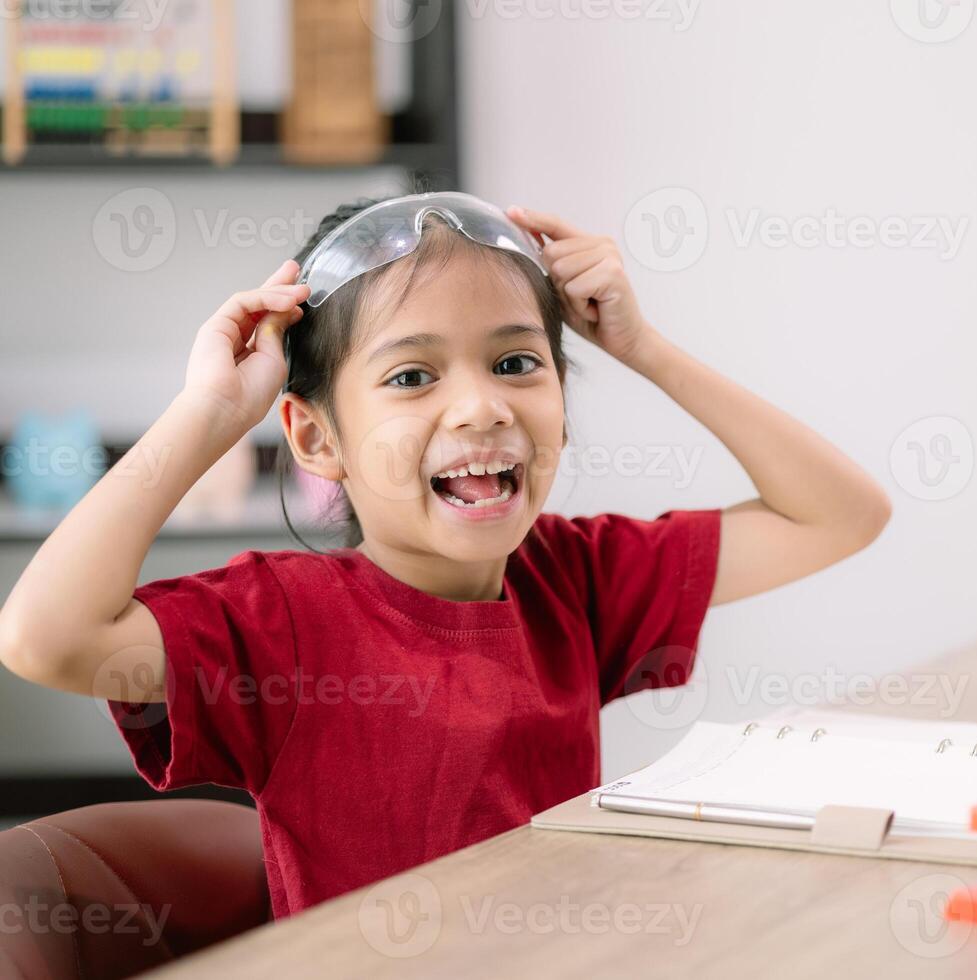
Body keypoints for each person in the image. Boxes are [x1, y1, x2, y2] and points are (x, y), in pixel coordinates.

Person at [0, 191, 889, 917]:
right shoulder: (281, 626)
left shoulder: (574, 577)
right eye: (412, 377)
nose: (480, 408)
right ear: (316, 440)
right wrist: (209, 416)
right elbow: (45, 636)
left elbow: (840, 514)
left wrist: (642, 349)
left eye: (515, 363)